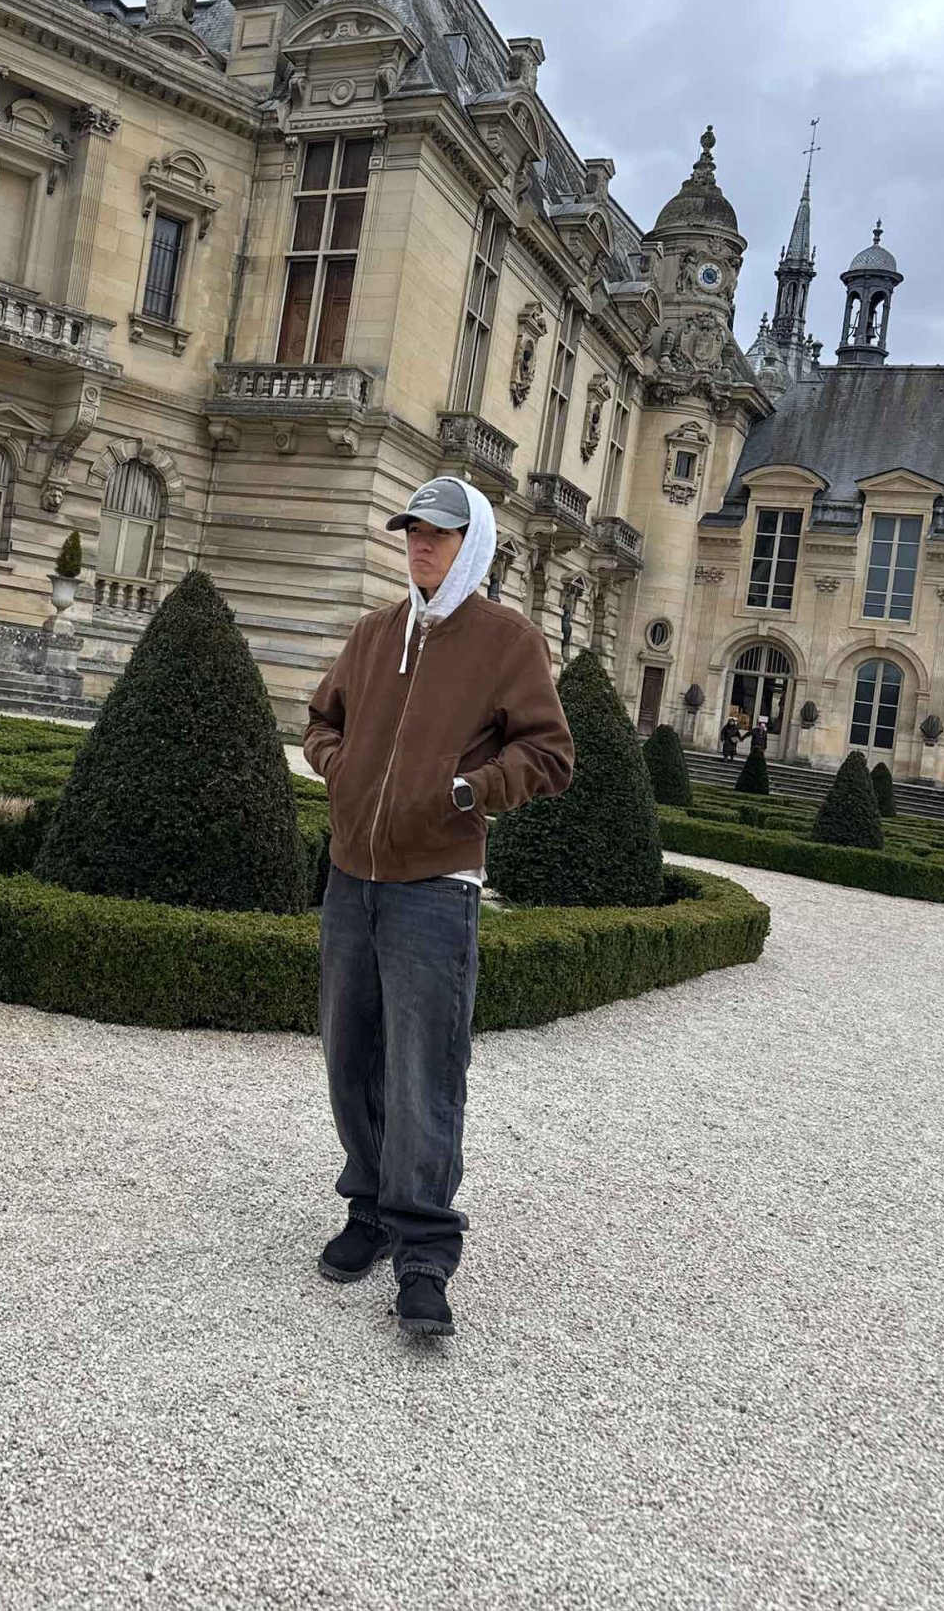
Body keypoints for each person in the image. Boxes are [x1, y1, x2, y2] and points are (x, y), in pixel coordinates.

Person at [303, 476, 574, 1339]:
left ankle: (423, 1252)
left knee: (425, 1068)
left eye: (439, 532)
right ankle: (370, 1208)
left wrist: (469, 790)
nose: (420, 543)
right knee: (349, 1053)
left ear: (474, 543)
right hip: (352, 875)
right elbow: (320, 721)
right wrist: (340, 769)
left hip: (436, 885)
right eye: (413, 530)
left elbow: (550, 753)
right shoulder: (375, 631)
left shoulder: (507, 641)